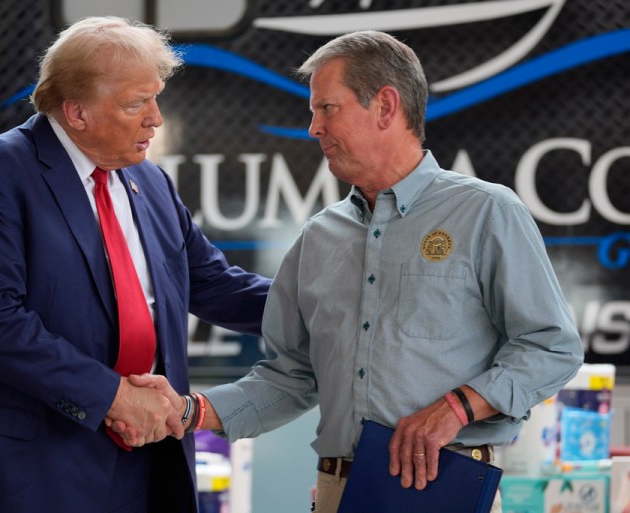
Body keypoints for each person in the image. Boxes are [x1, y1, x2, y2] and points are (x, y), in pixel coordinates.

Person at [132, 30, 584, 513]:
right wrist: (189, 410)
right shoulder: (317, 238)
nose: (313, 128)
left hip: (440, 487)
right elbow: (292, 377)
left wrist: (458, 407)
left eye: (327, 108)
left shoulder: (485, 212)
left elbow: (551, 346)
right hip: (338, 492)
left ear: (386, 107)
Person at [0, 16, 270, 513]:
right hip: (17, 470)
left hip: (141, 468)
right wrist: (115, 397)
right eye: (137, 103)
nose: (155, 118)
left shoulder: (150, 182)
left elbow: (212, 284)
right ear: (76, 112)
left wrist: (332, 306)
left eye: (156, 97)